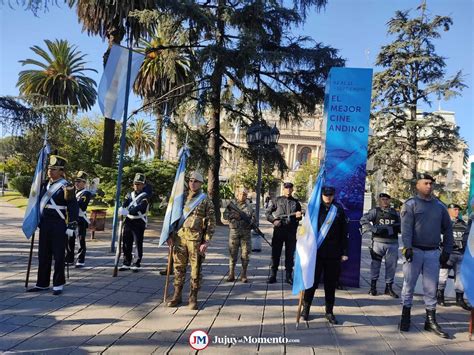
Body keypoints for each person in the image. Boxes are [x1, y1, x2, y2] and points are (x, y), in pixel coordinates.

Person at [399, 173, 453, 338]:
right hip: (414, 251)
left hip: (432, 253)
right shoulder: (410, 204)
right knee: (409, 284)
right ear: (417, 185)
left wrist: (447, 250)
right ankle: (405, 317)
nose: (429, 186)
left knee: (431, 288)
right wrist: (407, 248)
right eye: (426, 183)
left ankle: (430, 321)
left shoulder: (440, 207)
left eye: (431, 183)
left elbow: (448, 229)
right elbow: (406, 229)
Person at [26, 155, 78, 296]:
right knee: (43, 254)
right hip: (44, 224)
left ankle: (58, 284)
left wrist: (71, 225)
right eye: (49, 168)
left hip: (58, 224)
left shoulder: (67, 186)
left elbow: (73, 207)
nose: (50, 171)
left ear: (61, 171)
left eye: (54, 169)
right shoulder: (43, 185)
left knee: (59, 255)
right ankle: (42, 283)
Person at [166, 171, 216, 310]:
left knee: (195, 270)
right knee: (178, 267)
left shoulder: (205, 199)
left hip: (196, 240)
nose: (192, 183)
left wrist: (206, 241)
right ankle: (177, 294)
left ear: (200, 184)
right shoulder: (181, 198)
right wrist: (169, 235)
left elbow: (211, 221)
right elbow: (172, 217)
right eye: (191, 180)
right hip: (180, 238)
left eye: (196, 181)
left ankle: (193, 296)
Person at [301, 186, 349, 324]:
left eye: (331, 195)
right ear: (321, 195)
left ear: (334, 195)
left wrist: (344, 252)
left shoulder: (338, 209)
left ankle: (329, 312)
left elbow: (344, 233)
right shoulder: (315, 209)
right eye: (326, 195)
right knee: (311, 283)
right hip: (316, 253)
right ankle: (306, 309)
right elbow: (305, 230)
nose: (328, 197)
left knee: (330, 284)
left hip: (333, 253)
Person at [360, 193, 401, 298]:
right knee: (375, 265)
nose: (385, 201)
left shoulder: (395, 213)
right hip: (378, 242)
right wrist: (373, 229)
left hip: (392, 243)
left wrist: (396, 229)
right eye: (382, 199)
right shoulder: (375, 211)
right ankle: (373, 287)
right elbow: (363, 220)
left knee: (391, 266)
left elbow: (402, 225)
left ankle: (389, 287)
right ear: (379, 200)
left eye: (387, 199)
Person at [265, 182, 302, 285]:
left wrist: (299, 216)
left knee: (290, 255)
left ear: (292, 189)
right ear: (283, 189)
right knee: (275, 253)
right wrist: (273, 221)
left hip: (291, 232)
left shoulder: (296, 202)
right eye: (286, 188)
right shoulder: (277, 200)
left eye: (290, 188)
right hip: (279, 230)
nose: (288, 190)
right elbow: (267, 213)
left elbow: (299, 217)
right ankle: (273, 275)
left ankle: (288, 276)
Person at [437, 203, 471, 310]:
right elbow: (438, 237)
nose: (457, 212)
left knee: (460, 278)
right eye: (455, 209)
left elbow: (467, 237)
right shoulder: (443, 223)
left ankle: (459, 299)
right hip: (447, 253)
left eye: (458, 210)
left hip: (460, 254)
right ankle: (440, 296)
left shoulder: (463, 224)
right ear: (449, 210)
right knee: (443, 275)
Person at [118, 173, 150, 272]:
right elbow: (125, 203)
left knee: (137, 242)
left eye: (139, 184)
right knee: (126, 242)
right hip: (128, 221)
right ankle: (126, 262)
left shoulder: (145, 196)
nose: (137, 185)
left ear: (143, 185)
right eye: (135, 184)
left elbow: (141, 207)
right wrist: (122, 208)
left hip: (139, 221)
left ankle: (136, 263)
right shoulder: (129, 194)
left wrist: (128, 211)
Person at [223, 188, 255, 283]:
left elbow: (254, 219)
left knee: (245, 255)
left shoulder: (249, 207)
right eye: (240, 194)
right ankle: (231, 274)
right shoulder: (231, 205)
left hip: (246, 234)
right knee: (233, 254)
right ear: (237, 195)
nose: (242, 196)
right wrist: (233, 215)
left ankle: (243, 274)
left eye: (244, 194)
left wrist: (252, 222)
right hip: (234, 232)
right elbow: (224, 215)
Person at [65, 171, 92, 268]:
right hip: (72, 218)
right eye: (76, 181)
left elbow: (81, 205)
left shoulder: (86, 193)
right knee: (69, 239)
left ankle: (80, 260)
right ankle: (69, 258)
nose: (76, 183)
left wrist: (70, 201)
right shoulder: (74, 192)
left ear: (84, 183)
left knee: (80, 240)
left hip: (80, 219)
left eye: (79, 181)